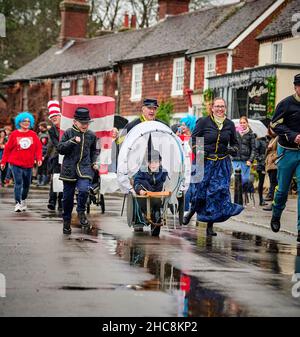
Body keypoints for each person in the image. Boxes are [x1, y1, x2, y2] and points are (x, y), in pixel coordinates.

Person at [186, 97, 243, 236]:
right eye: (217, 106)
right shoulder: (203, 122)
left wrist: (233, 149)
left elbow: (235, 143)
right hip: (203, 162)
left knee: (215, 193)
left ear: (225, 108)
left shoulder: (229, 124)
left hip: (221, 164)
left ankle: (210, 225)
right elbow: (193, 139)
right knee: (199, 192)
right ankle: (191, 212)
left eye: (222, 106)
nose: (220, 109)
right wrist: (199, 151)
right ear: (212, 108)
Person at [57, 107, 98, 235]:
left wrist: (94, 162)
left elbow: (94, 151)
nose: (85, 125)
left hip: (85, 168)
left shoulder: (91, 135)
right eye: (82, 123)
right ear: (75, 122)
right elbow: (60, 149)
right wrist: (72, 141)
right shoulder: (69, 133)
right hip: (69, 169)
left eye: (87, 123)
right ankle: (66, 222)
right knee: (67, 198)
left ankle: (81, 211)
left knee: (84, 189)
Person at [269, 73, 300, 242]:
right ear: (295, 87)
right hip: (287, 151)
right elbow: (274, 124)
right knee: (282, 189)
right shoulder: (286, 104)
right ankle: (276, 214)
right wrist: (292, 135)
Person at [0, 112, 42, 212]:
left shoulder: (33, 135)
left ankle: (23, 200)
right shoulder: (14, 134)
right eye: (24, 121)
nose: (26, 123)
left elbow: (38, 148)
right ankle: (18, 203)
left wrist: (39, 158)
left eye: (28, 121)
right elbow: (7, 149)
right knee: (18, 183)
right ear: (19, 122)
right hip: (15, 163)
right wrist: (3, 162)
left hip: (28, 163)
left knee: (27, 184)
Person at [132, 149, 168, 234]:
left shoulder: (163, 172)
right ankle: (139, 221)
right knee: (136, 197)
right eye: (151, 162)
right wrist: (140, 190)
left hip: (159, 195)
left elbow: (168, 182)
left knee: (160, 199)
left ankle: (155, 216)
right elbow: (137, 181)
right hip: (146, 194)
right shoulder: (143, 171)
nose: (153, 165)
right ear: (147, 163)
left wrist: (168, 188)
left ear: (160, 162)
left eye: (156, 162)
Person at [232, 116, 256, 204]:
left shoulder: (251, 134)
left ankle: (243, 195)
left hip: (246, 160)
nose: (242, 124)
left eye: (244, 122)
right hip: (236, 160)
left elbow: (253, 149)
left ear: (247, 123)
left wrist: (250, 160)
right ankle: (238, 200)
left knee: (245, 179)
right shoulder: (235, 133)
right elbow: (231, 144)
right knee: (238, 179)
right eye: (241, 123)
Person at [46, 100, 63, 211]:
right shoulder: (52, 130)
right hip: (57, 156)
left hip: (69, 157)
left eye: (55, 116)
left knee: (64, 179)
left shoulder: (67, 125)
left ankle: (61, 202)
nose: (54, 118)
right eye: (52, 117)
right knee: (55, 179)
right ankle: (52, 201)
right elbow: (56, 144)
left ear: (60, 116)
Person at [262, 126, 278, 211]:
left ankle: (271, 197)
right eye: (270, 129)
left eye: (273, 128)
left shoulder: (278, 138)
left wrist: (273, 158)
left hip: (274, 163)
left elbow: (278, 152)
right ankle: (272, 199)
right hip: (270, 163)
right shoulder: (272, 139)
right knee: (273, 182)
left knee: (274, 182)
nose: (271, 130)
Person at [255, 133, 268, 206]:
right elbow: (256, 152)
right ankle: (261, 200)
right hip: (261, 165)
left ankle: (262, 200)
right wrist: (261, 159)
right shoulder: (259, 141)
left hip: (267, 164)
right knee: (261, 182)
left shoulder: (268, 140)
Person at [36, 121, 49, 186]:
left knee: (45, 168)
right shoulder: (39, 134)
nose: (39, 127)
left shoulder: (48, 134)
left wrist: (45, 155)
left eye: (40, 126)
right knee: (39, 168)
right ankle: (39, 181)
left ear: (43, 126)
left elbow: (49, 146)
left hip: (45, 154)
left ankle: (44, 181)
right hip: (39, 153)